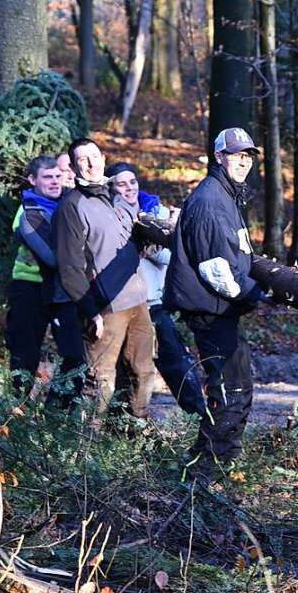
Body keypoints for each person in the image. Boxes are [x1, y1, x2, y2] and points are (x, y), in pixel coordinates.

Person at [163, 127, 270, 480]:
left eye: (248, 156)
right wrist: (250, 293)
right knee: (229, 389)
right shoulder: (210, 202)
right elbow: (216, 269)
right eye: (236, 154)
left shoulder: (226, 195)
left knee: (238, 383)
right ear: (219, 157)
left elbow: (236, 253)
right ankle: (204, 472)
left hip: (220, 309)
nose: (243, 161)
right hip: (211, 309)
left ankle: (224, 462)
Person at [52, 138, 156, 422]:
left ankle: (133, 437)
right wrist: (90, 310)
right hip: (104, 305)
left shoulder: (118, 197)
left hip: (138, 300)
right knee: (100, 383)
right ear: (73, 167)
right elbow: (70, 267)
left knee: (143, 373)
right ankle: (88, 451)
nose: (91, 163)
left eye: (95, 156)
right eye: (83, 159)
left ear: (103, 157)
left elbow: (138, 245)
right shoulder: (71, 207)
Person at [108, 162, 207, 417]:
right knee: (124, 370)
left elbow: (172, 257)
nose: (129, 188)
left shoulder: (156, 211)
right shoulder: (107, 214)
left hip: (152, 302)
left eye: (133, 182)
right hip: (118, 304)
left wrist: (148, 243)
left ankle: (199, 415)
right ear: (111, 186)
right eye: (121, 183)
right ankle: (124, 425)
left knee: (174, 360)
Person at [5, 156, 63, 396]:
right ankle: (15, 414)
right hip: (29, 287)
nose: (55, 182)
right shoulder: (27, 210)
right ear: (32, 180)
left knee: (74, 354)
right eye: (48, 177)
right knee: (25, 353)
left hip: (61, 289)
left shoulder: (67, 202)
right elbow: (50, 256)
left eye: (58, 176)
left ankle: (59, 416)